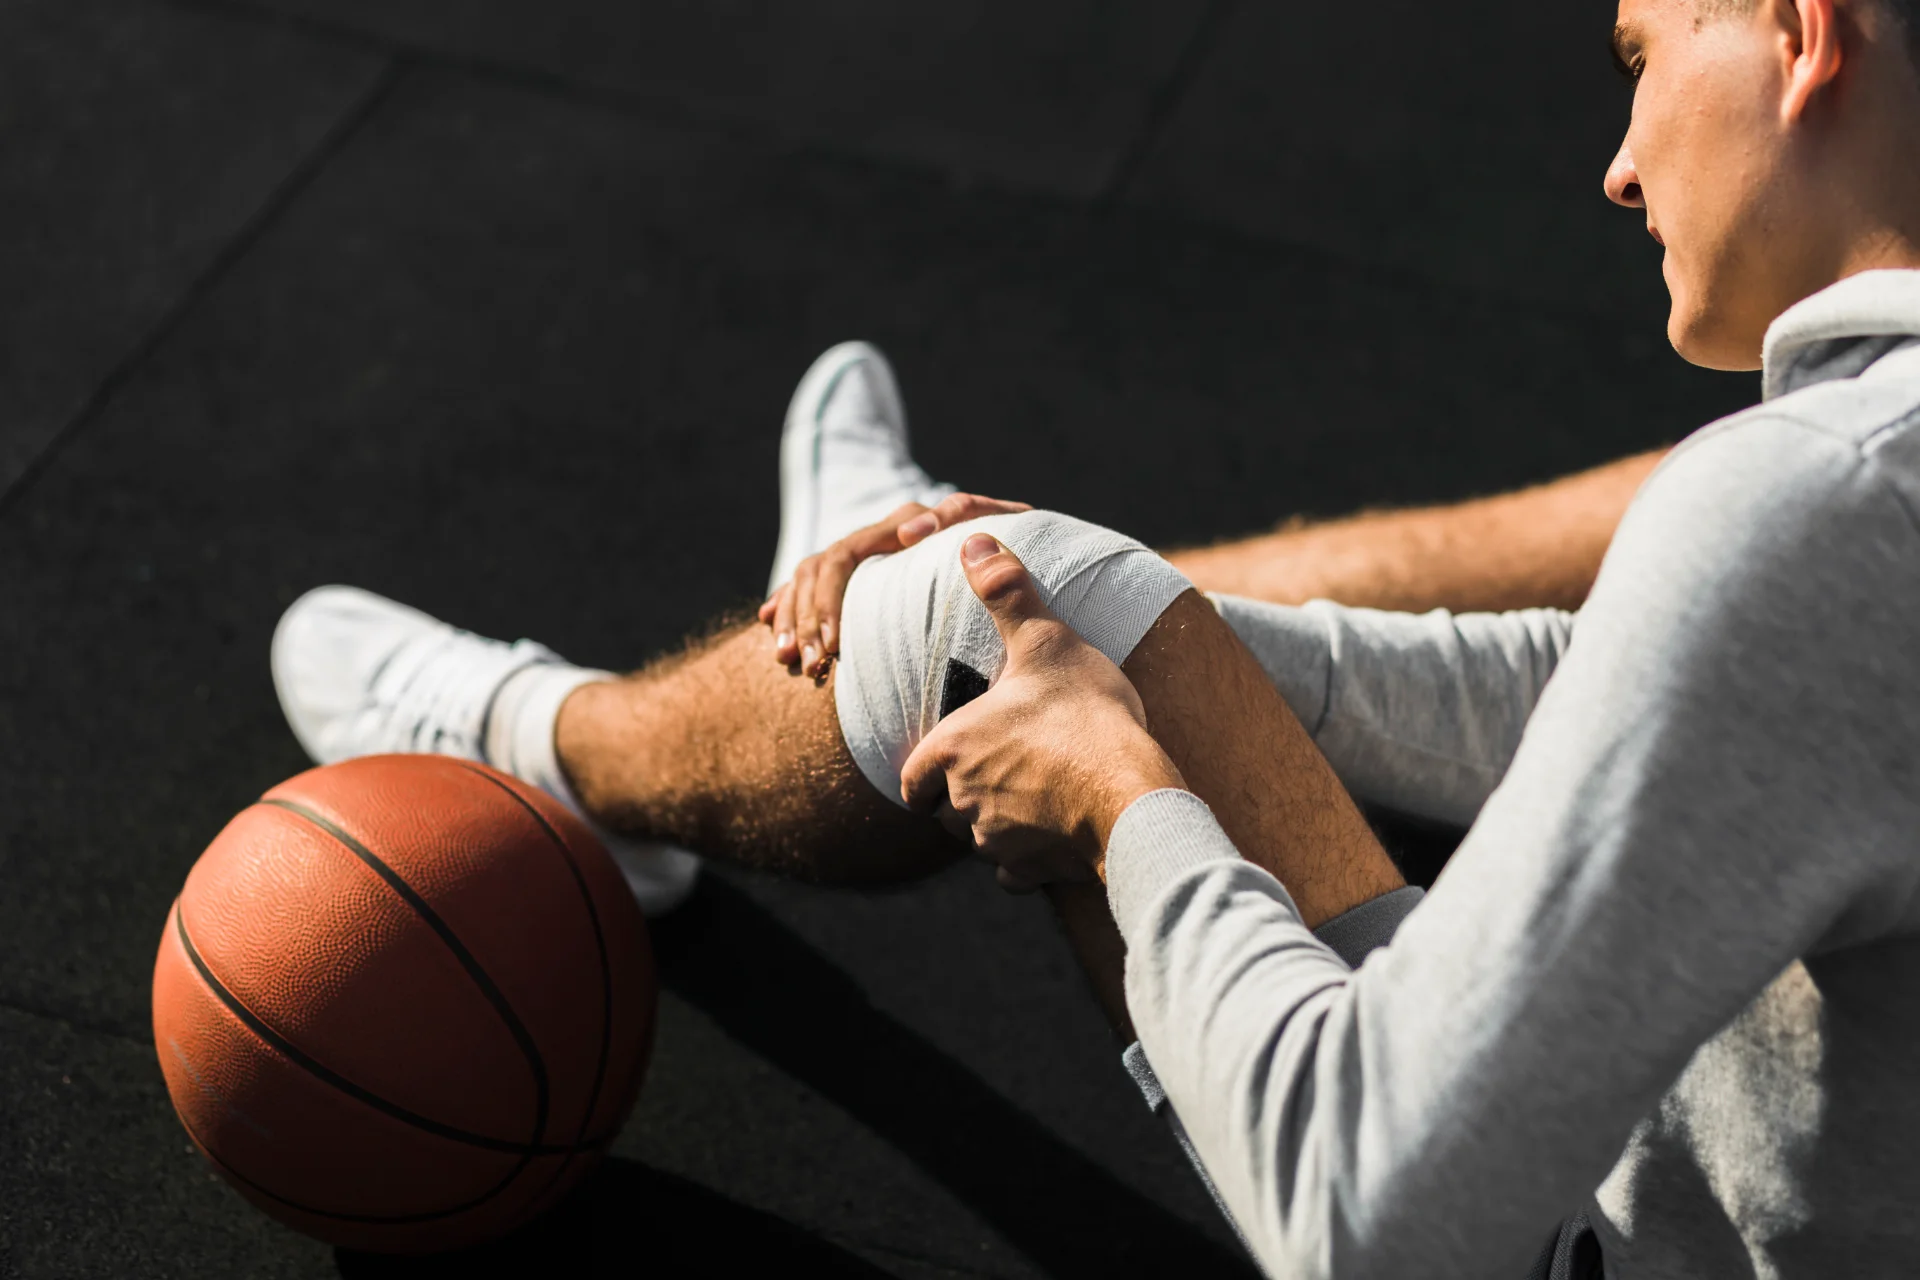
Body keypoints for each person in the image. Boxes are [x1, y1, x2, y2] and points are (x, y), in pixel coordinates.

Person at [267, 0, 1920, 1274]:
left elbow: (1368, 1217)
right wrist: (1125, 613)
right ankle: (630, 736)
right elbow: (1654, 678)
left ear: (1799, 30)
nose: (1620, 158)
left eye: (1639, 48)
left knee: (967, 632)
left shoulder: (1824, 503)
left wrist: (1124, 798)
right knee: (1022, 596)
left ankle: (552, 752)